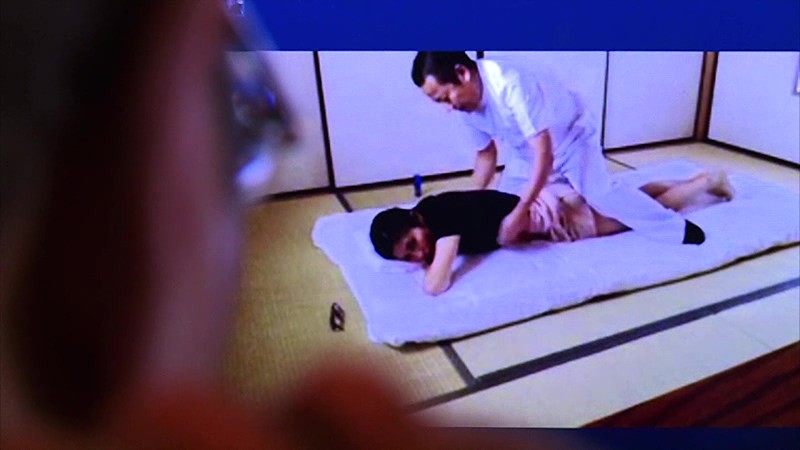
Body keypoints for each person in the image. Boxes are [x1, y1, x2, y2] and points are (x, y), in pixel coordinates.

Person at [1, 1, 541, 449]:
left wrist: (515, 208)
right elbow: (482, 164)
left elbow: (529, 158)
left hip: (537, 175)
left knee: (570, 214)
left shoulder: (510, 88)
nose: (444, 106)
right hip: (511, 189)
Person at [411, 51, 706, 247]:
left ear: (462, 73)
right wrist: (468, 203)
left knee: (601, 194)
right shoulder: (465, 107)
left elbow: (545, 153)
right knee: (502, 206)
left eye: (444, 97)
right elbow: (486, 155)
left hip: (571, 141)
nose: (447, 108)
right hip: (525, 155)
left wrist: (521, 212)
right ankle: (674, 187)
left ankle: (674, 228)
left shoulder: (510, 83)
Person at [370, 171, 735, 295]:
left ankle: (705, 183)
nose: (419, 255)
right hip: (548, 202)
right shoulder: (434, 213)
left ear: (415, 219)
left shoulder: (439, 219)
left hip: (554, 214)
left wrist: (429, 266)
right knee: (627, 202)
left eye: (413, 243)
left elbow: (435, 285)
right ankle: (696, 180)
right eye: (408, 256)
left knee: (638, 217)